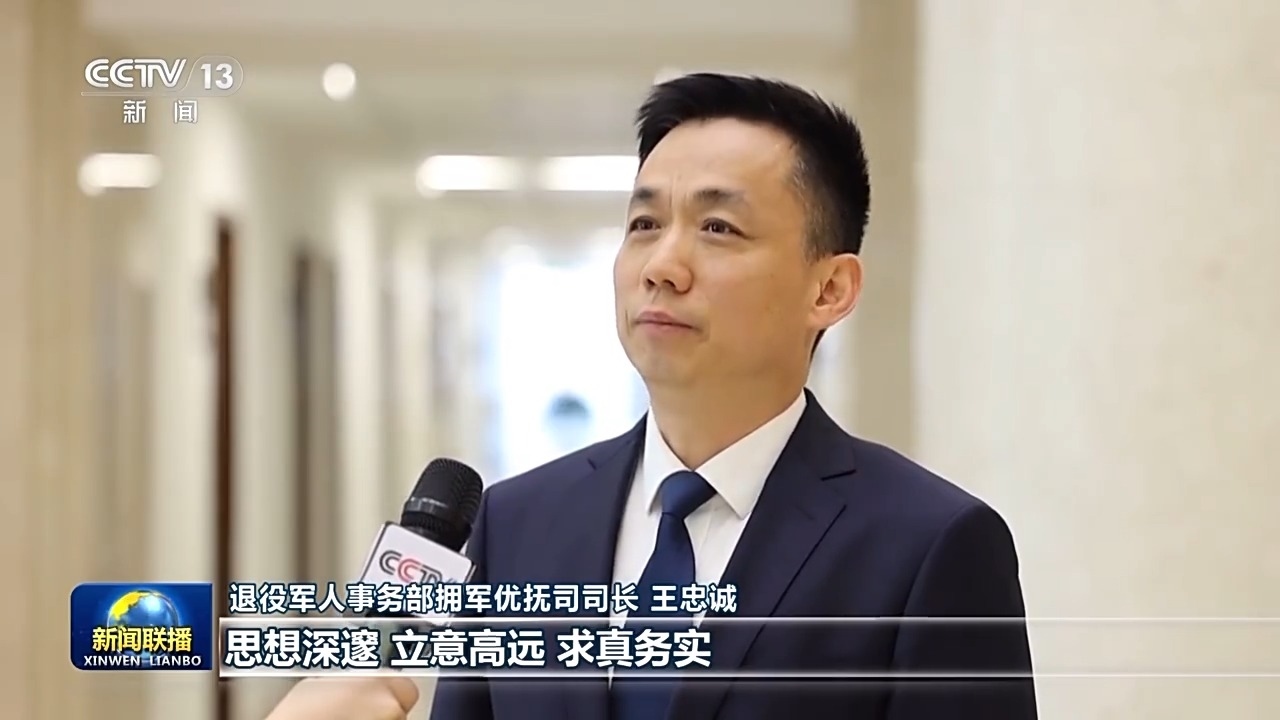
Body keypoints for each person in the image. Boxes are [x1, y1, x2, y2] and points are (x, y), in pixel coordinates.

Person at [267, 72, 1037, 720]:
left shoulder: (928, 546)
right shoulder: (519, 524)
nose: (662, 265)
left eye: (719, 228)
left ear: (829, 288)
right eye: (643, 222)